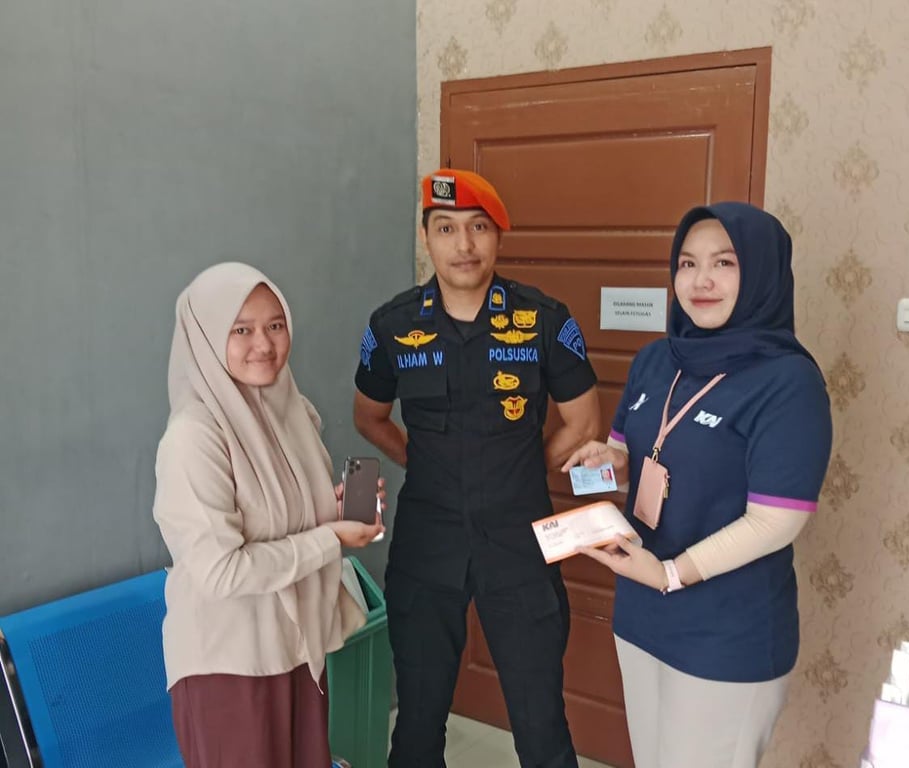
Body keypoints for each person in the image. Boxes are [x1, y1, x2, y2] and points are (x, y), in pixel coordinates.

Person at [563, 202, 832, 768]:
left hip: (725, 632)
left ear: (760, 272)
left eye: (724, 263)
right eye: (687, 263)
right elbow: (630, 458)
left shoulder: (788, 382)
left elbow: (776, 521)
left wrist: (669, 573)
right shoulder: (656, 359)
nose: (700, 280)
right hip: (641, 613)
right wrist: (607, 463)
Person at [353, 168, 601, 768]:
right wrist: (424, 462)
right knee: (417, 718)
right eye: (446, 228)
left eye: (478, 228)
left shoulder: (545, 320)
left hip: (519, 537)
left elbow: (583, 423)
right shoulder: (392, 325)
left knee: (540, 722)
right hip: (428, 538)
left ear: (498, 236)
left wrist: (521, 468)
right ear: (426, 238)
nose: (463, 245)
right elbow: (369, 417)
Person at [153, 262, 384, 768]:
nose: (264, 344)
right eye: (241, 329)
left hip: (297, 650)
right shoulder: (194, 439)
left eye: (275, 325)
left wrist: (335, 510)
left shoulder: (291, 412)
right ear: (206, 336)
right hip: (230, 666)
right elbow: (221, 571)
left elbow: (283, 517)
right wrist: (330, 538)